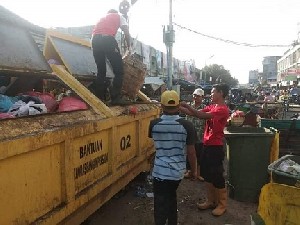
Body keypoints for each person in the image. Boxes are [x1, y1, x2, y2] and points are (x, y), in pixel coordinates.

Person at [180, 83, 230, 216]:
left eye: (213, 92)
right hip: (207, 144)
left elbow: (199, 115)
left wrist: (186, 105)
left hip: (216, 146)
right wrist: (176, 106)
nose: (211, 94)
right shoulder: (212, 106)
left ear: (221, 93)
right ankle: (211, 200)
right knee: (207, 174)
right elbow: (195, 113)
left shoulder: (222, 109)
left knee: (217, 175)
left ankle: (222, 204)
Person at [148, 90, 197, 225]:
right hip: (177, 173)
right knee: (171, 197)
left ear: (162, 106)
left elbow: (155, 141)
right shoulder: (187, 125)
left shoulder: (153, 124)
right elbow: (191, 152)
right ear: (178, 105)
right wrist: (194, 171)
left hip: (160, 172)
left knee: (160, 204)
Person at [91, 9, 131, 105]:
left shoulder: (102, 18)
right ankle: (115, 99)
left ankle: (99, 99)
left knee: (101, 71)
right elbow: (126, 31)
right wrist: (129, 47)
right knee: (119, 71)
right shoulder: (119, 16)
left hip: (94, 40)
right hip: (107, 39)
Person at [184, 88, 205, 181]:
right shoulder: (189, 106)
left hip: (200, 134)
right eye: (194, 95)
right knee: (189, 153)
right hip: (189, 134)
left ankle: (199, 172)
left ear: (202, 97)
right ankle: (189, 171)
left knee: (199, 154)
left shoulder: (205, 108)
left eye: (198, 96)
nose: (195, 97)